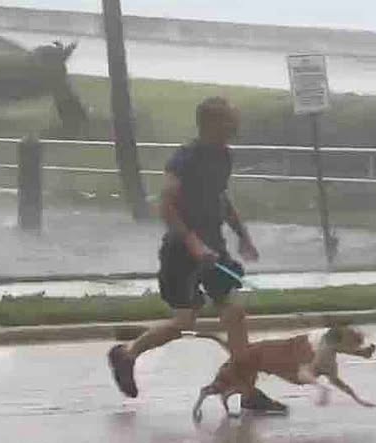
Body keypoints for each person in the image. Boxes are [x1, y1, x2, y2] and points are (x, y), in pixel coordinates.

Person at [107, 96, 287, 414]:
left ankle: (246, 390)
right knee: (182, 322)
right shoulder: (184, 159)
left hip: (214, 249)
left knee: (234, 314)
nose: (236, 127)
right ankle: (127, 353)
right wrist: (192, 243)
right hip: (181, 252)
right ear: (213, 124)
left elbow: (221, 197)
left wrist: (242, 235)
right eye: (231, 121)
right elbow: (165, 205)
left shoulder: (224, 156)